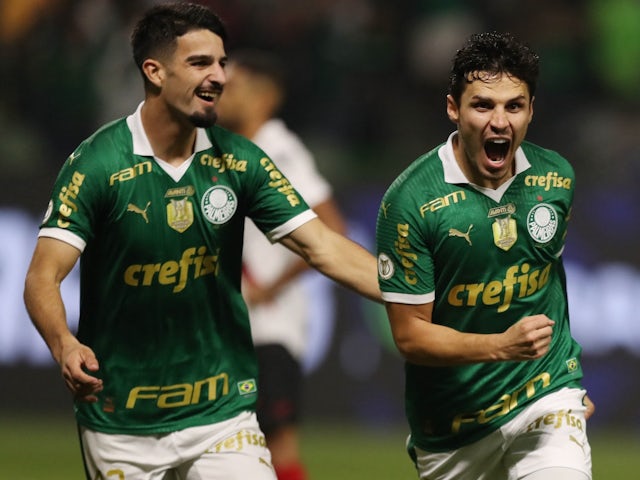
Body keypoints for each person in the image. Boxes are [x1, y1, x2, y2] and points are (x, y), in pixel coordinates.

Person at [22, 3, 379, 480]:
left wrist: (418, 289)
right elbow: (43, 274)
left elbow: (324, 245)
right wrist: (64, 343)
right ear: (154, 71)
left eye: (221, 63)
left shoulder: (242, 161)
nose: (219, 77)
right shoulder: (97, 164)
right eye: (199, 63)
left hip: (222, 413)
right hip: (121, 419)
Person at [375, 32, 594, 480]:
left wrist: (565, 382)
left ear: (532, 110)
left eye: (514, 106)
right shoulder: (411, 200)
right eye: (483, 105)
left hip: (544, 397)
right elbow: (411, 336)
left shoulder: (557, 178)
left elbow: (548, 281)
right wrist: (500, 347)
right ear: (453, 108)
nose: (500, 121)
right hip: (454, 430)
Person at [215, 50, 346, 480]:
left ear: (263, 96)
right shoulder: (228, 147)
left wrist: (271, 286)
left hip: (269, 323)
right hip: (234, 321)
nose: (221, 95)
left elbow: (332, 228)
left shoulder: (279, 149)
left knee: (276, 443)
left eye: (233, 87)